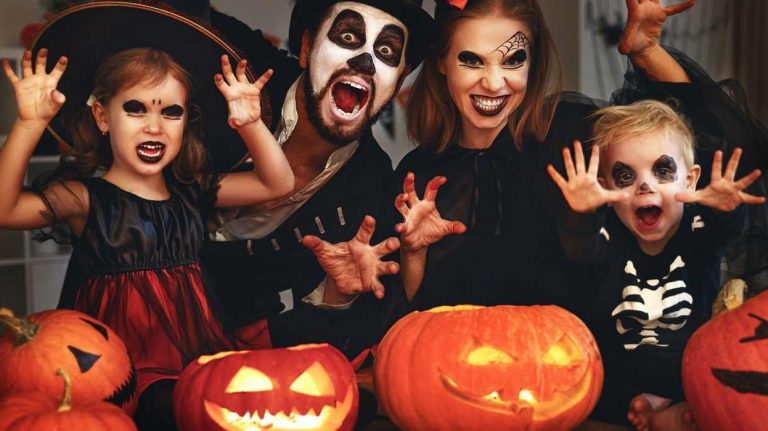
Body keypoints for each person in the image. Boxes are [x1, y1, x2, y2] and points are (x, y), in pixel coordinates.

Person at [0, 2, 293, 428]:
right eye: (135, 108)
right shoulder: (86, 199)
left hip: (197, 354)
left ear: (184, 124)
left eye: (170, 111)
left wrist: (250, 123)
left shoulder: (192, 192)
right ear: (102, 116)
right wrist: (29, 122)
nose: (154, 126)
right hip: (121, 371)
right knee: (165, 409)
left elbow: (276, 184)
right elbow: (5, 209)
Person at [199, 0, 433, 360]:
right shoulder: (236, 60)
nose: (365, 62)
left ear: (399, 80)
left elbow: (328, 336)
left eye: (386, 51)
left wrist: (337, 295)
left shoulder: (372, 190)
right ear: (307, 48)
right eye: (349, 36)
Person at [548, 100, 764, 430]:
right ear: (605, 187)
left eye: (662, 170)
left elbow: (724, 233)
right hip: (617, 378)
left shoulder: (698, 231)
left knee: (702, 403)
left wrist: (726, 209)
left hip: (687, 378)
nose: (645, 185)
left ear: (690, 181)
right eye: (625, 175)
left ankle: (667, 411)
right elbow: (580, 250)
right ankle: (649, 411)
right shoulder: (608, 235)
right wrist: (580, 213)